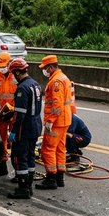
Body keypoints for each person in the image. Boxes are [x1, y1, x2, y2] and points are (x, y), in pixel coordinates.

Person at [5, 58, 43, 199]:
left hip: (25, 127)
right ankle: (29, 186)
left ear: (16, 72)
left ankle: (23, 189)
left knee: (20, 157)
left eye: (12, 74)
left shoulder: (22, 88)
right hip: (36, 125)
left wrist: (14, 131)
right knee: (30, 156)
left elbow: (20, 114)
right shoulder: (35, 84)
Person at [36, 55, 72, 190]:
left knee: (48, 149)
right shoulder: (63, 77)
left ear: (51, 67)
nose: (44, 71)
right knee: (60, 149)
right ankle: (59, 178)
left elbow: (57, 104)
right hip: (64, 120)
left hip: (56, 121)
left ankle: (51, 178)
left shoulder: (56, 81)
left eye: (45, 68)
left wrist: (50, 120)